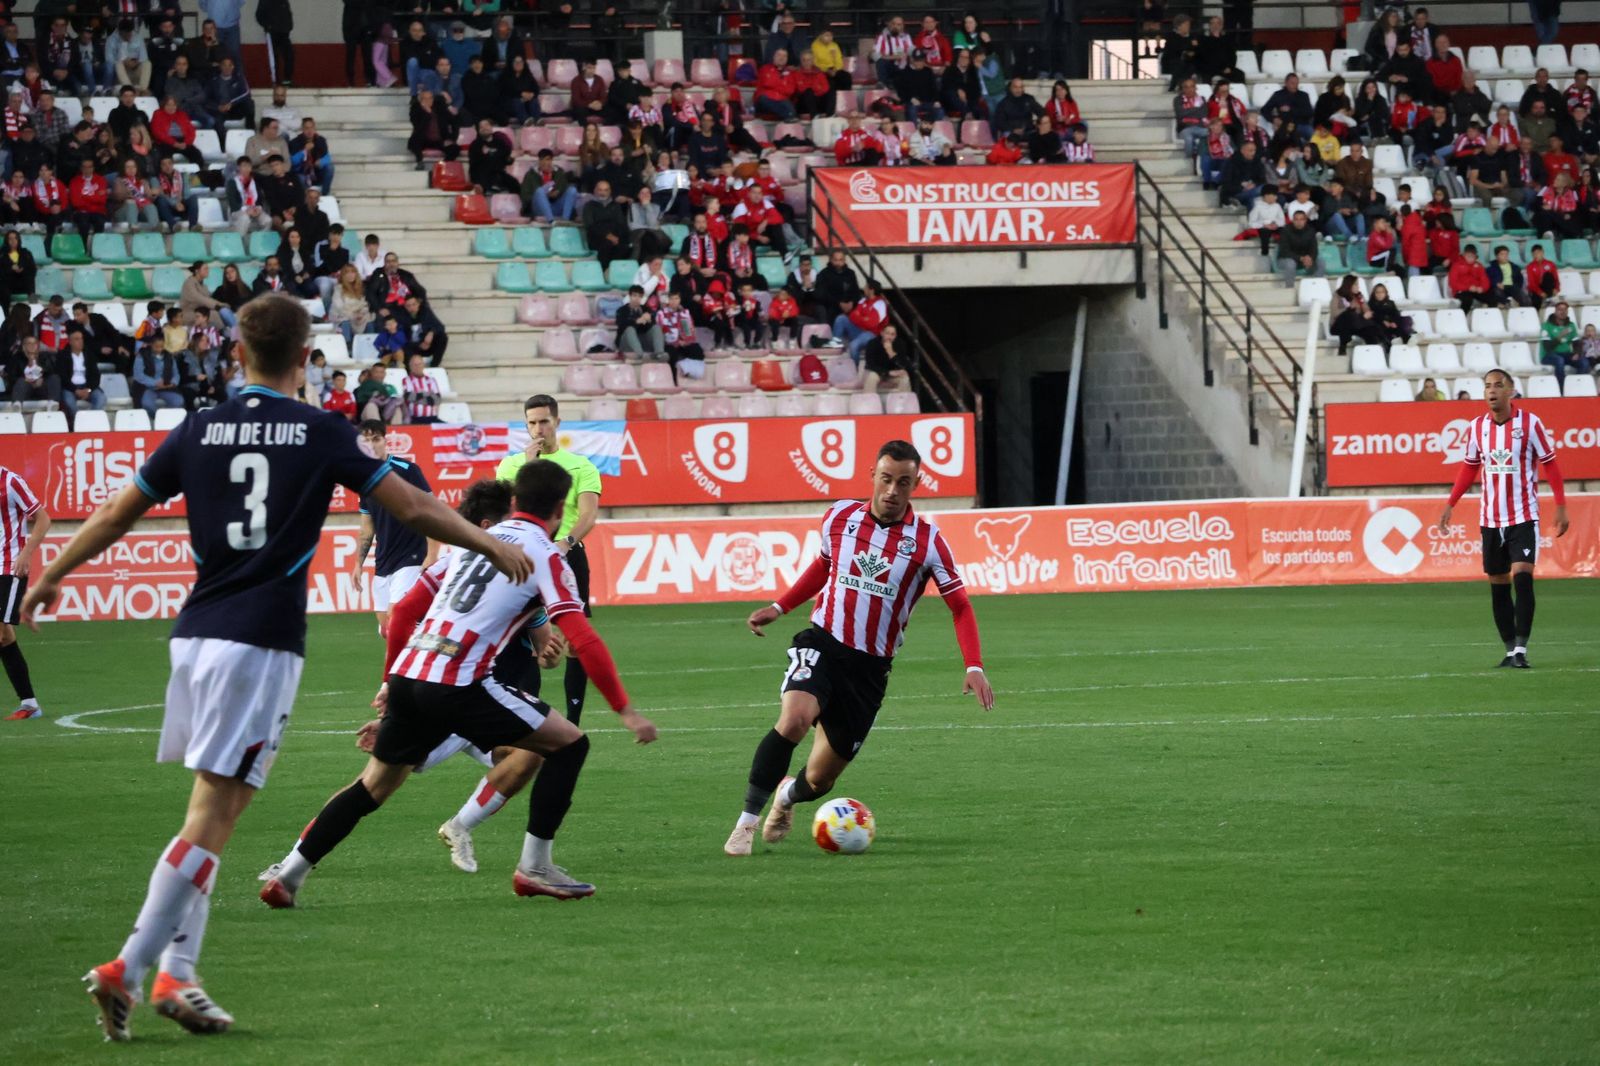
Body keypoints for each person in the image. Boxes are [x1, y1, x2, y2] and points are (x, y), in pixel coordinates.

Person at [24, 295, 531, 1042]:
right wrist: (490, 544)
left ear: (235, 355)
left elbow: (116, 513)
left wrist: (51, 573)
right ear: (305, 359)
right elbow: (416, 509)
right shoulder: (319, 430)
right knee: (214, 815)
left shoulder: (198, 427)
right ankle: (128, 968)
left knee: (213, 809)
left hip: (195, 634)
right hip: (259, 642)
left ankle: (178, 976)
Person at [259, 459, 654, 909]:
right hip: (460, 680)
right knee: (569, 744)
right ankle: (535, 868)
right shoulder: (545, 555)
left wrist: (391, 683)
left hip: (412, 675)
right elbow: (581, 636)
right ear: (561, 508)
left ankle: (288, 875)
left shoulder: (471, 545)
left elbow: (406, 610)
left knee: (372, 787)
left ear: (514, 501)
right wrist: (624, 708)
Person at [724, 440, 993, 856]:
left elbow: (960, 606)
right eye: (886, 479)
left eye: (903, 483)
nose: (892, 491)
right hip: (822, 643)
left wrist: (973, 665)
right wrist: (781, 606)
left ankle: (786, 798)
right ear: (873, 475)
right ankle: (744, 826)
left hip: (868, 672)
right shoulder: (839, 516)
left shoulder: (928, 543)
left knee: (819, 781)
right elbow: (823, 565)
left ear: (915, 484)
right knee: (795, 719)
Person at [1435, 369, 1568, 669]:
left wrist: (1561, 505)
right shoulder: (1477, 427)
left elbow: (1551, 465)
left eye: (1498, 385)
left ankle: (1521, 648)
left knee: (1522, 577)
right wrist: (1450, 503)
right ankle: (1509, 651)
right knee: (1498, 584)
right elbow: (1469, 468)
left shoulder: (1531, 424)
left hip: (1523, 516)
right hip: (1490, 519)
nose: (1491, 391)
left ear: (1511, 391)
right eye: (1487, 386)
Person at [494, 395, 603, 724]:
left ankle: (573, 721)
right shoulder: (511, 465)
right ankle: (530, 717)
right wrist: (530, 467)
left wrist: (566, 543)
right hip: (523, 559)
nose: (538, 428)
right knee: (526, 636)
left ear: (557, 422)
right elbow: (506, 514)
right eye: (531, 422)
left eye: (543, 421)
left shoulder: (581, 465)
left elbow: (588, 514)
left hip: (567, 556)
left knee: (574, 639)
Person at [351, 420, 435, 634]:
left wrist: (432, 555)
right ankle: (413, 661)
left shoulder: (407, 470)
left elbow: (433, 512)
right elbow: (367, 529)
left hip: (411, 559)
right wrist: (358, 565)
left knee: (397, 621)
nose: (371, 445)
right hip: (383, 562)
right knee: (387, 629)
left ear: (385, 440)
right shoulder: (363, 479)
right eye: (366, 441)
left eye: (376, 439)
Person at [0, 464, 48, 721]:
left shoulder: (10, 482)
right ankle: (29, 704)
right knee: (5, 637)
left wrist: (26, 553)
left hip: (10, 566)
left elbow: (43, 518)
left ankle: (30, 704)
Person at [861, 322, 912, 394]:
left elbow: (904, 364)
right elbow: (870, 365)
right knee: (872, 377)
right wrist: (887, 373)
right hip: (877, 372)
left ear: (895, 336)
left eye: (892, 334)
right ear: (882, 333)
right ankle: (869, 402)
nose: (889, 337)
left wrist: (891, 353)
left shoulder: (900, 344)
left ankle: (904, 403)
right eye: (887, 333)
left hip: (891, 374)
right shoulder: (873, 343)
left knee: (904, 378)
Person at [1277, 211, 1322, 288]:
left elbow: (1314, 249)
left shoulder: (1310, 231)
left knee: (1321, 261)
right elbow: (1285, 251)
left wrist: (1310, 258)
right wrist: (1301, 258)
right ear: (1293, 220)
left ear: (1305, 221)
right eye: (1296, 219)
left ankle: (1317, 287)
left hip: (1304, 260)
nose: (1299, 222)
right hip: (1286, 259)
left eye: (1301, 219)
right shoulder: (1285, 230)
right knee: (1290, 264)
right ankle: (1289, 288)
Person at [1540, 301, 1581, 385]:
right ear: (1555, 311)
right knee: (1559, 360)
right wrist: (1560, 336)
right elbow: (1547, 347)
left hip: (1566, 354)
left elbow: (1576, 343)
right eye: (1560, 309)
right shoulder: (1546, 326)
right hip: (1548, 355)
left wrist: (1577, 353)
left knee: (1584, 362)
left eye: (1565, 310)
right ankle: (1561, 387)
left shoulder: (1571, 325)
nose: (1562, 312)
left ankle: (1575, 385)